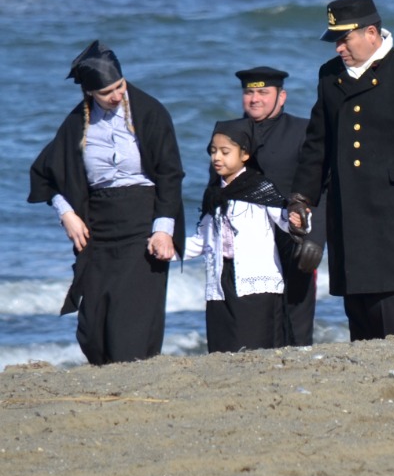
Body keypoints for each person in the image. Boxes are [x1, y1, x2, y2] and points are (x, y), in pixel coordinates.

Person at [288, 0, 394, 340]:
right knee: (359, 309)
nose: (338, 48)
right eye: (335, 40)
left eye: (344, 38)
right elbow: (317, 142)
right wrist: (302, 197)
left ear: (370, 33)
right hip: (348, 210)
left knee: (393, 308)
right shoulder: (329, 75)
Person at [28, 41, 185, 365]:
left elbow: (170, 174)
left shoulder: (150, 112)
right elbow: (45, 173)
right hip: (97, 226)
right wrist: (67, 213)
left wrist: (163, 230)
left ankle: (133, 388)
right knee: (93, 327)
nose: (116, 95)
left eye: (119, 86)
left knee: (131, 323)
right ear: (89, 93)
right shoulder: (77, 123)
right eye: (107, 92)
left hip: (143, 222)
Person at [233, 66, 324, 345]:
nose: (255, 98)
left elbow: (324, 187)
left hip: (293, 238)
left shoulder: (302, 130)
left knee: (296, 322)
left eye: (263, 92)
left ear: (281, 97)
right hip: (246, 246)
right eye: (249, 92)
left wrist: (316, 237)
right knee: (251, 325)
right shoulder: (230, 134)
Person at [187, 119, 291, 353]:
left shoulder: (261, 188)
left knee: (254, 349)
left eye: (225, 152)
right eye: (213, 151)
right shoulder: (213, 193)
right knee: (222, 350)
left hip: (257, 286)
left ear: (245, 154)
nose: (217, 157)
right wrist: (166, 248)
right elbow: (202, 241)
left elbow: (286, 223)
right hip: (220, 281)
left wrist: (298, 218)